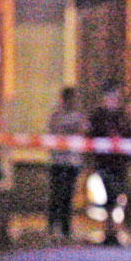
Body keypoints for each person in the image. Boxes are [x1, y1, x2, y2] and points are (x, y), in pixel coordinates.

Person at [88, 81, 131, 245]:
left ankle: (116, 229)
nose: (113, 100)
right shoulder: (98, 117)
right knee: (108, 197)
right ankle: (109, 230)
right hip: (104, 162)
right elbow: (91, 136)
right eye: (110, 97)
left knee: (118, 196)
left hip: (120, 162)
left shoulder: (122, 117)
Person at [46, 87, 88, 238]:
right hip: (58, 161)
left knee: (68, 195)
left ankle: (66, 227)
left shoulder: (79, 116)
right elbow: (54, 131)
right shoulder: (57, 115)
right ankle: (52, 226)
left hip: (73, 161)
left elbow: (84, 131)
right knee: (56, 193)